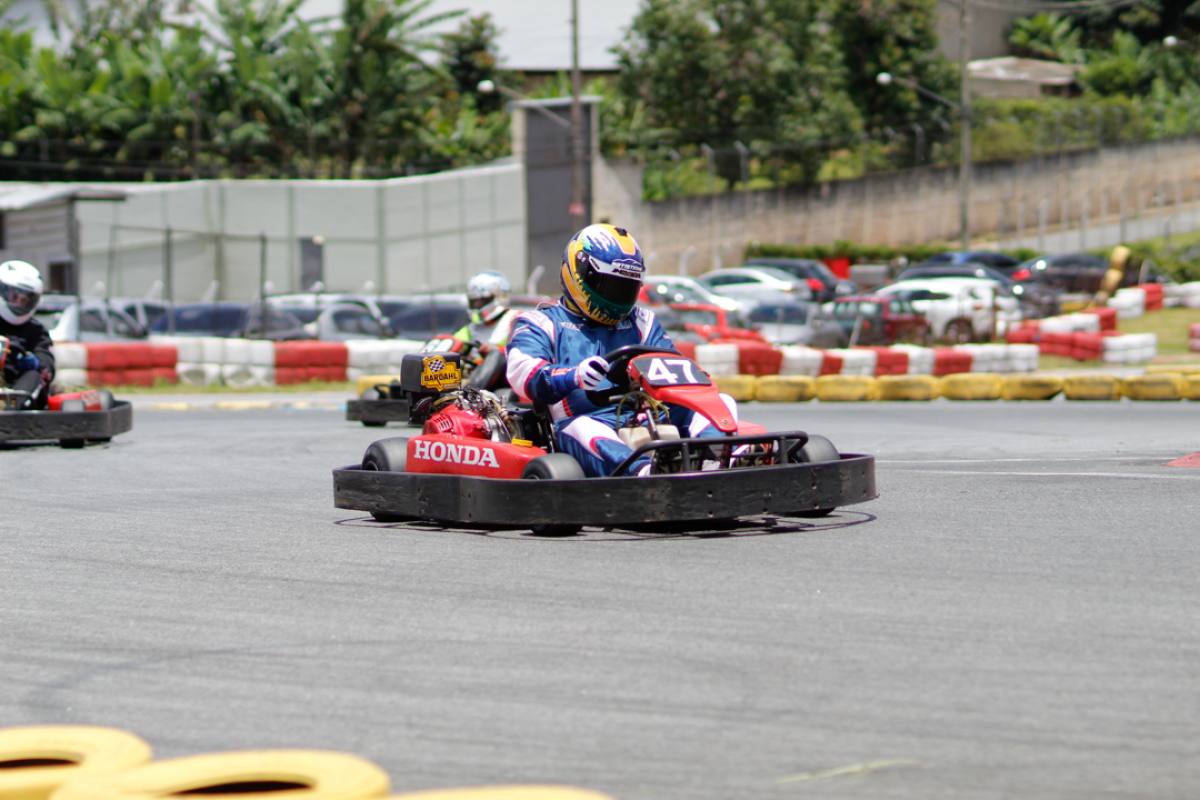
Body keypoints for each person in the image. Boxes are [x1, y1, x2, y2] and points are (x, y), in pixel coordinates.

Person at [506, 223, 738, 477]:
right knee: (583, 428)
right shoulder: (541, 323)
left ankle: (720, 462)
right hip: (587, 422)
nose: (617, 297)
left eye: (625, 288)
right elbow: (524, 374)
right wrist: (574, 376)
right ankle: (645, 475)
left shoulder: (642, 322)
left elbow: (673, 370)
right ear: (580, 272)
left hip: (645, 415)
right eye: (609, 286)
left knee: (719, 402)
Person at [0, 260, 55, 409]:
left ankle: (11, 412)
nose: (19, 304)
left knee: (34, 374)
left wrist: (37, 362)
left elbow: (46, 359)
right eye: (14, 297)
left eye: (25, 300)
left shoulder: (36, 330)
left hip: (18, 388)